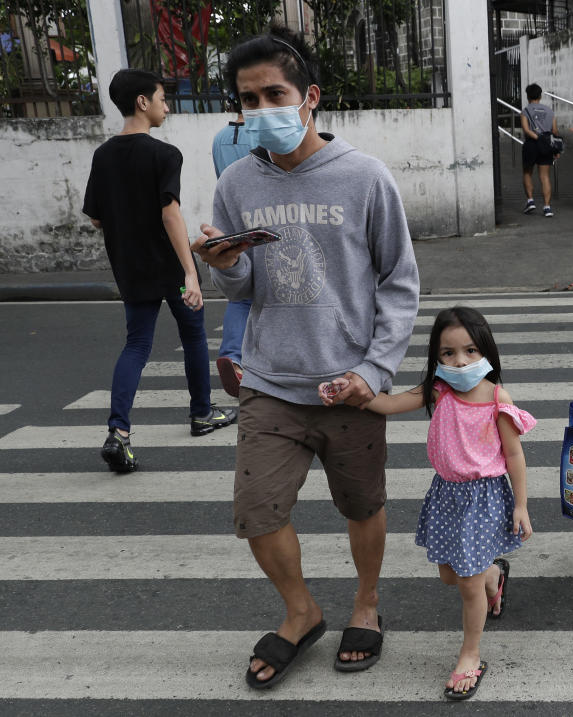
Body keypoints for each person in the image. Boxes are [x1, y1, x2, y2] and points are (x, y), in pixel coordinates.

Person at [190, 28, 419, 689]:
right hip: (269, 382)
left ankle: (366, 601)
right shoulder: (236, 182)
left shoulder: (365, 177)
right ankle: (301, 610)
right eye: (248, 99)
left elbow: (399, 281)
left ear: (309, 96)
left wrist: (373, 373)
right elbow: (246, 287)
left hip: (349, 384)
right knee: (257, 511)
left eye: (275, 94)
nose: (263, 109)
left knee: (361, 504)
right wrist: (228, 267)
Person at [322, 307, 534, 700]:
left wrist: (521, 506)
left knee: (466, 586)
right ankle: (493, 577)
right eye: (448, 353)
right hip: (447, 496)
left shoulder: (497, 399)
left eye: (470, 350)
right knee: (451, 576)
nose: (461, 361)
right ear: (436, 358)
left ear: (486, 350)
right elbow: (387, 404)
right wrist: (351, 394)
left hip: (483, 499)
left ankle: (470, 655)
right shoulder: (439, 391)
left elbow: (515, 455)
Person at [82, 69, 237, 474]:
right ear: (141, 102)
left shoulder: (103, 155)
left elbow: (96, 220)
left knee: (136, 346)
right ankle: (202, 413)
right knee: (192, 335)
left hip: (130, 268)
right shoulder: (164, 155)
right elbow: (171, 213)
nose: (167, 105)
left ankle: (119, 432)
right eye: (162, 97)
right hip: (168, 264)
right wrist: (190, 272)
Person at [210, 103, 254, 397]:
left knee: (240, 295)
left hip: (231, 219)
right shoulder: (258, 136)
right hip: (263, 220)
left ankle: (232, 353)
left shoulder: (218, 139)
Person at [520, 83, 559, 218]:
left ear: (528, 96)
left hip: (531, 144)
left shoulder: (526, 111)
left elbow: (526, 130)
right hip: (546, 145)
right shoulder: (549, 111)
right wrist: (553, 147)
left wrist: (537, 137)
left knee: (527, 172)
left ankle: (530, 201)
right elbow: (554, 131)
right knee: (545, 176)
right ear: (540, 96)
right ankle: (547, 207)